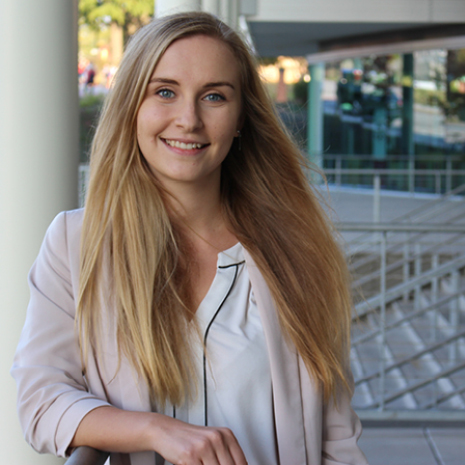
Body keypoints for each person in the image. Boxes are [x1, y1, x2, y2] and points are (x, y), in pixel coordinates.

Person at [12, 11, 368, 465]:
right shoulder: (75, 243)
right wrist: (157, 431)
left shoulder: (300, 254)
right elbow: (40, 400)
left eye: (215, 97)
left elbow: (337, 444)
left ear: (241, 118)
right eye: (164, 92)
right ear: (131, 107)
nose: (189, 119)